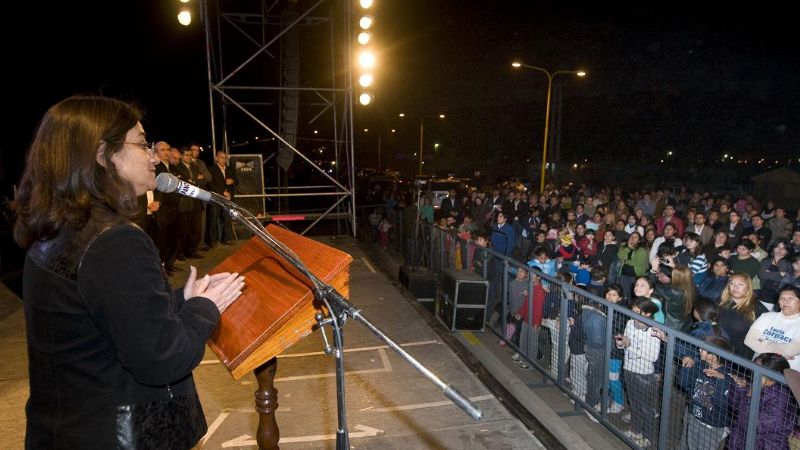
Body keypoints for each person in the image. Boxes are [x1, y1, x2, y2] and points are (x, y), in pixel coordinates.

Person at [12, 96, 246, 448]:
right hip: (119, 433)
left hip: (68, 429)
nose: (153, 155)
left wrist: (181, 298)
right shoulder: (114, 240)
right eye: (141, 144)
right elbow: (162, 358)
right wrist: (204, 308)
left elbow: (107, 313)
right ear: (104, 155)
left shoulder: (59, 227)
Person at [727, 353, 795, 450]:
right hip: (741, 441)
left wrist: (748, 397)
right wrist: (741, 388)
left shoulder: (781, 397)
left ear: (773, 375)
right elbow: (734, 406)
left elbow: (754, 424)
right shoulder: (759, 385)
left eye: (758, 370)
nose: (754, 373)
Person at [745, 286, 800, 370]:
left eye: (790, 298)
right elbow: (749, 340)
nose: (785, 301)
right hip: (757, 370)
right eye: (782, 298)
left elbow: (790, 350)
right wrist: (781, 352)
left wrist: (764, 342)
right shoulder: (767, 316)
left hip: (786, 376)